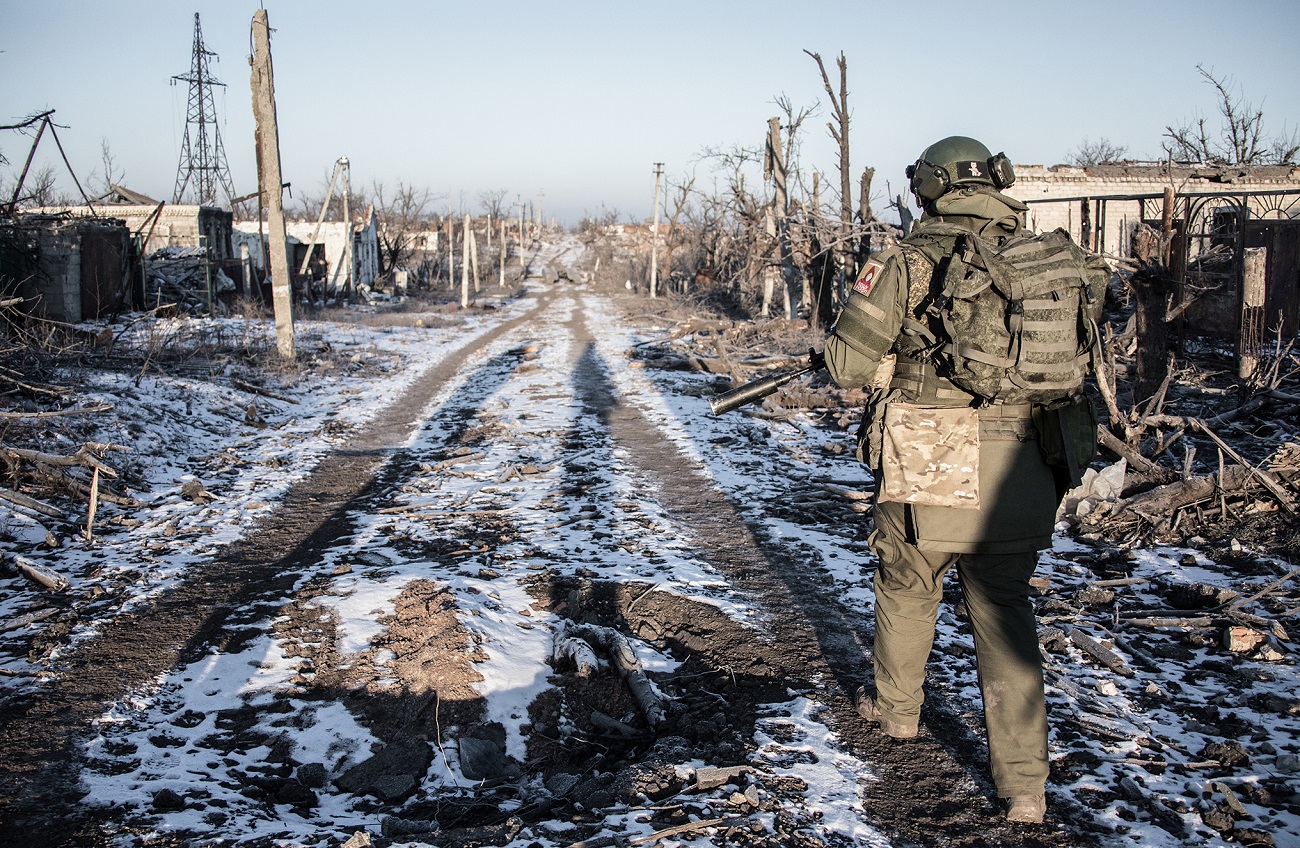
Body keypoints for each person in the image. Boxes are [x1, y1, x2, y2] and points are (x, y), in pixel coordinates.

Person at [823, 135, 1104, 824]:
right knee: (1005, 610)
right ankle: (1026, 791)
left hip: (931, 444)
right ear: (996, 183)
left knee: (909, 576)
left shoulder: (907, 260)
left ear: (930, 186)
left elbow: (846, 366)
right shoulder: (1047, 261)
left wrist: (884, 361)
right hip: (1026, 457)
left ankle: (896, 714)